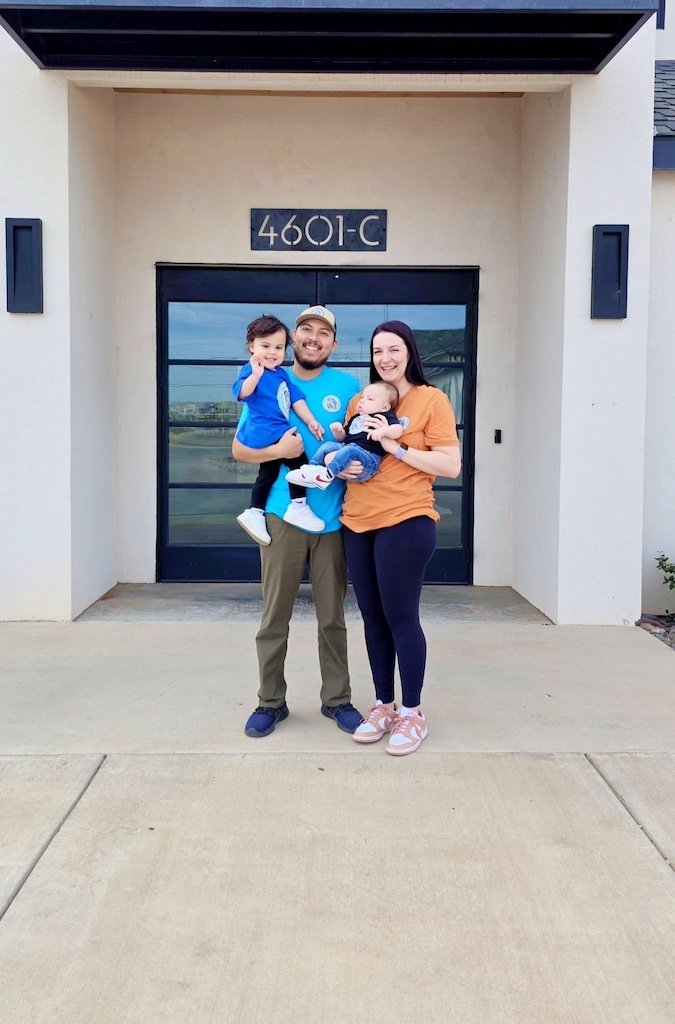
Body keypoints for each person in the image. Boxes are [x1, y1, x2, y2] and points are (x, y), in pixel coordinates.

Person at [231, 304, 364, 738]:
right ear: (293, 339)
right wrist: (279, 454)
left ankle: (337, 700)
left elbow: (362, 443)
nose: (313, 337)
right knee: (274, 617)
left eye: (322, 332)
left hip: (333, 520)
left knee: (333, 618)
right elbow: (240, 450)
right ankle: (270, 701)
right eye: (305, 329)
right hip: (281, 516)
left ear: (333, 343)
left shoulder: (348, 387)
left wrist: (356, 463)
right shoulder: (268, 380)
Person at [343, 320, 462, 756]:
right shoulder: (362, 400)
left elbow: (450, 466)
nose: (385, 358)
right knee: (372, 617)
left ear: (409, 351)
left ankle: (412, 713)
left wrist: (398, 450)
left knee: (400, 617)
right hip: (357, 520)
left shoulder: (432, 400)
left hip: (407, 519)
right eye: (377, 351)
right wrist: (342, 467)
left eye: (393, 349)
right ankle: (383, 705)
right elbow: (351, 449)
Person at [233, 315, 325, 544]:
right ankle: (298, 506)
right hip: (266, 433)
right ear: (252, 346)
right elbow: (242, 393)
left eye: (278, 347)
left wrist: (311, 421)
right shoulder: (251, 371)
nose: (272, 352)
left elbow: (296, 399)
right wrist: (255, 376)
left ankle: (255, 512)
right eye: (265, 346)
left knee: (269, 473)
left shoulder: (281, 374)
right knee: (299, 463)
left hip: (277, 431)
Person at [284, 381, 403, 490]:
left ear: (385, 407)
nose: (362, 400)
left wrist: (384, 431)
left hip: (368, 460)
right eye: (362, 397)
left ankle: (327, 476)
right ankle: (310, 470)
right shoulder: (356, 418)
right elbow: (343, 438)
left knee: (349, 450)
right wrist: (338, 431)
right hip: (350, 450)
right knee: (328, 446)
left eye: (370, 399)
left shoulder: (385, 415)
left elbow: (398, 430)